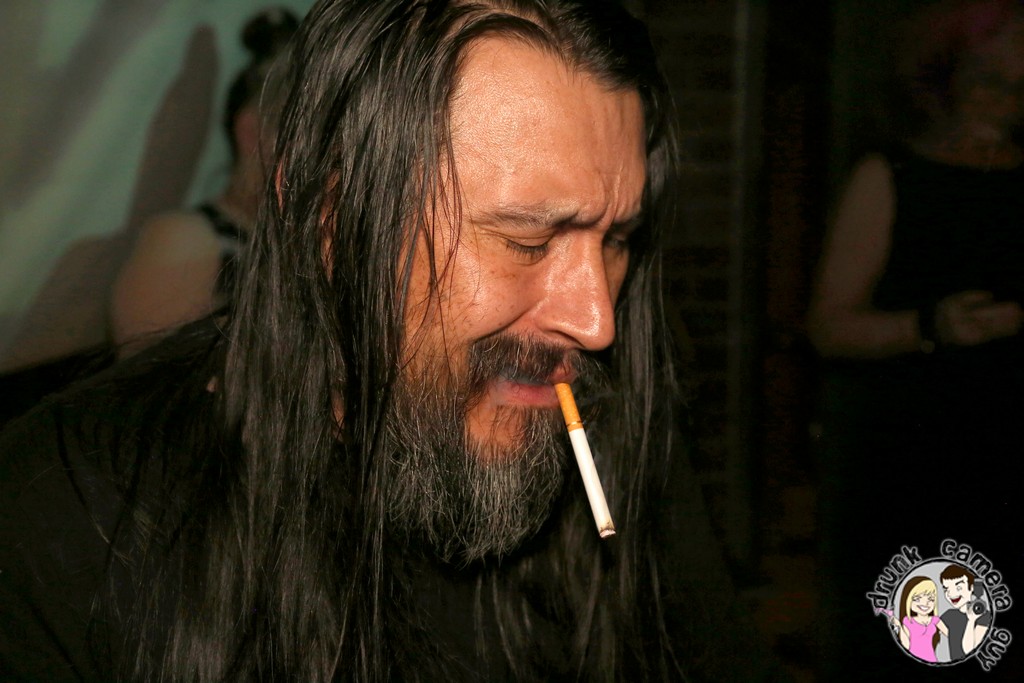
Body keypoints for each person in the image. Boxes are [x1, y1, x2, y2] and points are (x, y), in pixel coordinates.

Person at [0, 1, 781, 681]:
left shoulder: (614, 441)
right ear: (331, 219)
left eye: (615, 239)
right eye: (527, 239)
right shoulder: (67, 515)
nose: (596, 319)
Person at [809, 1, 1024, 679]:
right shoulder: (892, 176)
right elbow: (828, 326)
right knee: (929, 653)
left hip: (1013, 466)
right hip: (919, 465)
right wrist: (929, 327)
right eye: (992, 67)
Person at [109, 8, 298, 357]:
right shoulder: (185, 238)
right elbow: (153, 375)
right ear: (253, 132)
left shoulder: (294, 238)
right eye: (305, 138)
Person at [940, 565, 993, 661]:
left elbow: (969, 651)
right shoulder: (949, 615)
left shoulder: (984, 616)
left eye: (958, 588)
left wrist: (971, 620)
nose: (951, 594)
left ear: (971, 587)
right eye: (946, 589)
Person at [892, 576, 949, 663]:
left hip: (932, 660)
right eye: (917, 599)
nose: (925, 603)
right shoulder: (908, 621)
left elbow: (951, 635)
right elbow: (906, 645)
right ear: (908, 600)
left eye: (931, 599)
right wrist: (899, 626)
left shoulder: (935, 620)